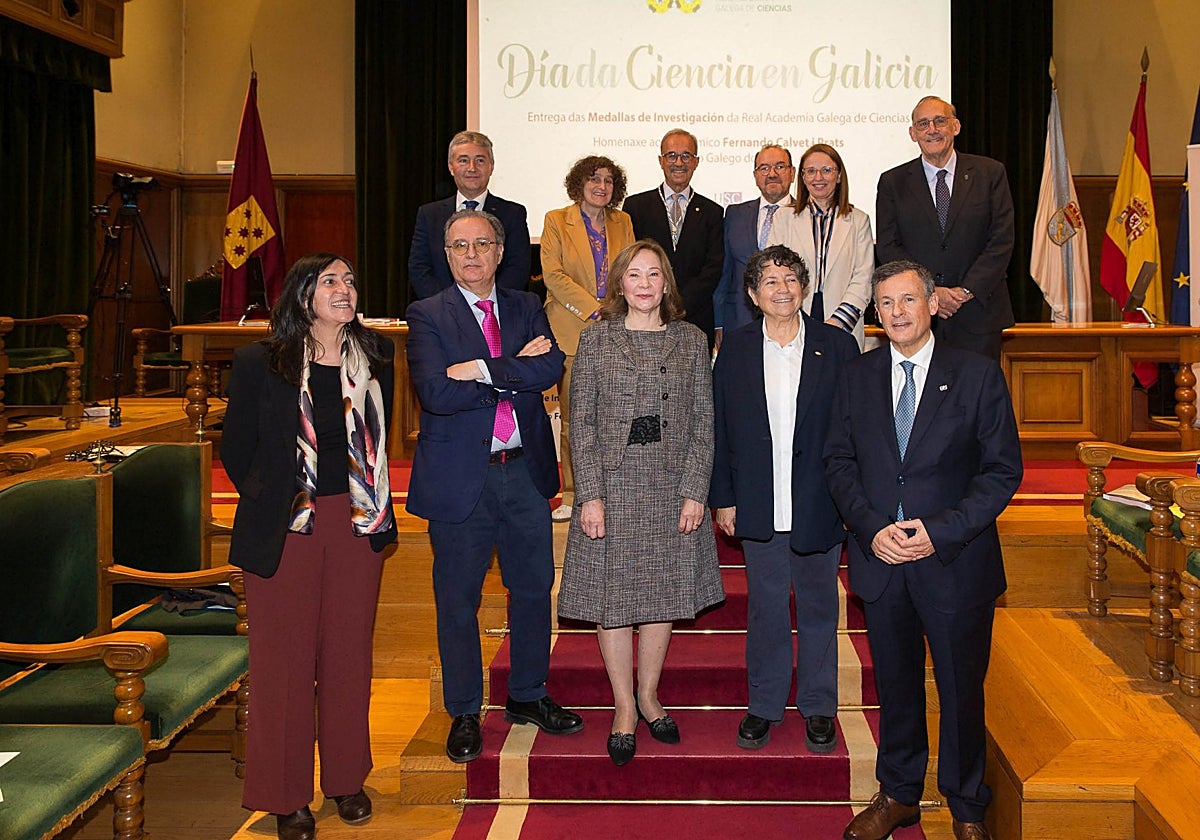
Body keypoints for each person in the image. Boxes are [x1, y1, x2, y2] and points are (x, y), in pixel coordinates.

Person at [823, 260, 1022, 840]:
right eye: (886, 303)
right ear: (875, 313)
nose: (898, 312)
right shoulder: (857, 376)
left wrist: (940, 530)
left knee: (961, 690)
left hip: (954, 561)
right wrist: (870, 528)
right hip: (882, 559)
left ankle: (967, 806)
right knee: (896, 685)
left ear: (933, 304)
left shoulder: (978, 374)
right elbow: (839, 461)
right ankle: (900, 793)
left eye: (908, 299)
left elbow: (1001, 471)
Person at [223, 253, 399, 840]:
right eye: (330, 281)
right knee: (284, 664)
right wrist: (275, 499)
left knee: (349, 657)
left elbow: (377, 442)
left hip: (356, 524)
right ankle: (286, 796)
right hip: (286, 528)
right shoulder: (260, 362)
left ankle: (347, 780)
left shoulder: (376, 357)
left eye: (350, 280)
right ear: (303, 296)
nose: (344, 289)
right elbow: (236, 449)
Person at [406, 209, 583, 766]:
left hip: (525, 472)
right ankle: (464, 710)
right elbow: (436, 392)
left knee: (532, 589)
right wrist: (510, 370)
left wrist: (479, 369)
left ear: (501, 252)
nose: (472, 254)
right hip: (462, 478)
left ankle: (527, 693)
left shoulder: (526, 305)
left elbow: (549, 369)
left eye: (482, 244)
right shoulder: (426, 313)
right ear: (447, 255)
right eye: (460, 246)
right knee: (458, 598)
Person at [558, 239, 723, 766]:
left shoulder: (691, 340)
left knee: (661, 593)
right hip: (613, 483)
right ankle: (624, 706)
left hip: (671, 485)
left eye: (654, 274)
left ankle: (650, 696)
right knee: (613, 597)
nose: (645, 284)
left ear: (666, 282)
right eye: (635, 275)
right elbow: (581, 423)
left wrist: (695, 489)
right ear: (620, 284)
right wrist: (589, 495)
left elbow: (704, 422)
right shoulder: (596, 339)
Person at [710, 244, 858, 755]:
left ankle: (818, 706)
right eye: (770, 281)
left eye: (791, 279)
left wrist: (850, 500)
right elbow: (719, 427)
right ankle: (765, 704)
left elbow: (853, 429)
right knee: (767, 608)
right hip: (758, 499)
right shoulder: (736, 349)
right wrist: (724, 498)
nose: (782, 289)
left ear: (805, 288)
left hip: (820, 500)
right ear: (753, 295)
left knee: (819, 606)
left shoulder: (836, 346)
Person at [875, 96, 1015, 361]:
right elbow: (889, 246)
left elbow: (1001, 240)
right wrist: (930, 291)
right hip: (917, 315)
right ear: (912, 133)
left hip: (978, 313)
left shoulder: (990, 173)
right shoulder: (893, 182)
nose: (932, 129)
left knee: (977, 387)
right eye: (923, 124)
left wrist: (965, 291)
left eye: (940, 121)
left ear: (956, 126)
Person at [541, 155, 636, 523]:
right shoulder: (556, 220)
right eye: (594, 179)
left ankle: (612, 491)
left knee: (615, 417)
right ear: (579, 183)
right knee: (573, 419)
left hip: (617, 329)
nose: (602, 186)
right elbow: (553, 276)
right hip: (572, 330)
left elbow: (631, 269)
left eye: (609, 180)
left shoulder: (623, 221)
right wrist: (595, 310)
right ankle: (572, 493)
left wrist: (617, 309)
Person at [622, 129, 725, 349]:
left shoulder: (712, 212)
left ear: (696, 162)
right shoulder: (636, 207)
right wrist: (657, 301)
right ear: (661, 161)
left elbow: (713, 267)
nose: (679, 162)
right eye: (671, 156)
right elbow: (629, 263)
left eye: (686, 156)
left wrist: (679, 304)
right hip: (646, 315)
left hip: (696, 317)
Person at [767, 143, 874, 349]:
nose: (818, 178)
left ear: (839, 176)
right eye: (811, 171)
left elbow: (863, 277)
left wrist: (838, 322)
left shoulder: (859, 220)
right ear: (803, 177)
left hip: (844, 322)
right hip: (795, 319)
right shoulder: (784, 218)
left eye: (826, 170)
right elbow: (775, 272)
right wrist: (794, 318)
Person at [408, 130, 531, 301]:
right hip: (442, 311)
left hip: (496, 310)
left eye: (480, 160)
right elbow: (419, 268)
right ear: (451, 167)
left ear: (491, 166)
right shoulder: (429, 215)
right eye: (463, 160)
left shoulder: (513, 214)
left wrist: (489, 303)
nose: (472, 168)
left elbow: (517, 268)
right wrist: (448, 305)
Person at [713, 144, 795, 340]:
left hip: (790, 321)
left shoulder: (806, 215)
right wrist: (718, 323)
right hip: (739, 321)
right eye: (764, 168)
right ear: (755, 175)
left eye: (780, 166)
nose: (772, 174)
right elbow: (725, 275)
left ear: (792, 173)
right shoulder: (735, 214)